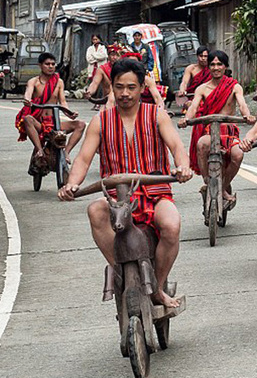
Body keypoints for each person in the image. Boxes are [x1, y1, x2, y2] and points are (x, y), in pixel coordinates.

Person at [58, 58, 192, 308]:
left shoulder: (156, 115)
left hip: (155, 191)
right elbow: (83, 159)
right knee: (94, 210)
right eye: (119, 87)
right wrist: (71, 185)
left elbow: (177, 146)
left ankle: (158, 287)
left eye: (131, 87)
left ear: (142, 87)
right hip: (117, 198)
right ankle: (119, 269)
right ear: (111, 88)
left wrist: (183, 167)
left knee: (172, 225)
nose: (124, 93)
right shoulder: (101, 121)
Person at [178, 50, 256, 205]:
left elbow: (242, 104)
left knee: (238, 155)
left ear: (225, 66)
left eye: (219, 64)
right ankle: (208, 183)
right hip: (210, 130)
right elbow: (193, 108)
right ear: (208, 67)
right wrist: (186, 119)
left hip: (229, 132)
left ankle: (223, 187)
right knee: (201, 145)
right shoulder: (202, 88)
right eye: (212, 64)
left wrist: (247, 115)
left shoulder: (234, 86)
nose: (215, 67)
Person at [15, 52, 86, 162]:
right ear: (40, 65)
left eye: (53, 64)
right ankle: (39, 150)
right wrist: (27, 100)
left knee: (80, 124)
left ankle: (66, 152)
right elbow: (28, 93)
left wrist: (69, 113)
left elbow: (63, 102)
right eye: (47, 64)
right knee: (27, 119)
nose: (51, 67)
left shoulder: (59, 82)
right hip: (39, 123)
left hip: (54, 123)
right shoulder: (33, 81)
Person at [85, 46, 164, 109]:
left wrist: (161, 111)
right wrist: (90, 92)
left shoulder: (147, 80)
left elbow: (157, 98)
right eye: (112, 55)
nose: (114, 57)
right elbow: (97, 85)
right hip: (116, 106)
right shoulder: (112, 77)